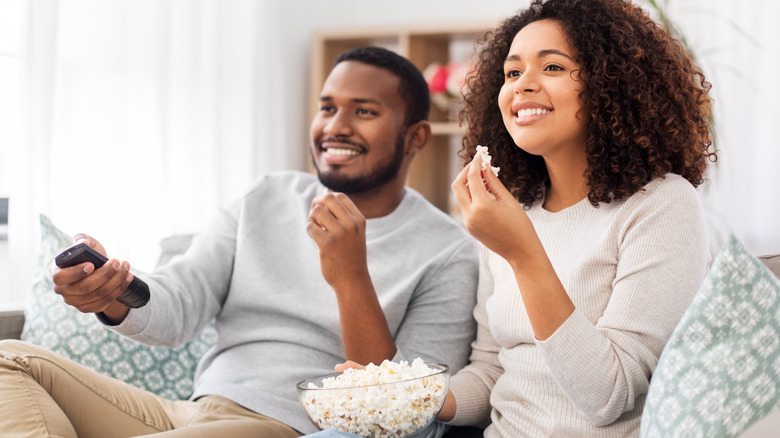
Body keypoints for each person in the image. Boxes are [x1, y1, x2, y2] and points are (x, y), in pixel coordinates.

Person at [0, 46, 479, 438]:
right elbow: (180, 300)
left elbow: (406, 412)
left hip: (285, 427)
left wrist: (350, 277)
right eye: (328, 108)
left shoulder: (448, 251)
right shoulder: (266, 196)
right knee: (9, 360)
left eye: (365, 112)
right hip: (193, 413)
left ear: (416, 137)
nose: (336, 126)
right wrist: (113, 292)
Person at [308, 0, 715, 437]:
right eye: (512, 73)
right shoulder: (512, 211)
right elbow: (491, 370)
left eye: (553, 68)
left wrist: (523, 253)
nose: (522, 86)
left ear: (612, 84)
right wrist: (412, 394)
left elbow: (608, 396)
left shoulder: (662, 206)